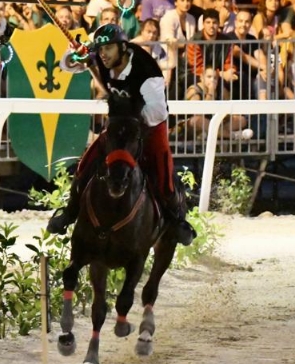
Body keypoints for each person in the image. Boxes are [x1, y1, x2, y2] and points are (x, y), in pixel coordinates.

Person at [46, 23, 196, 247]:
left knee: (163, 178)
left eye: (108, 49)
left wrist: (127, 108)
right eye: (100, 49)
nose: (103, 54)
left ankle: (177, 221)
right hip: (119, 125)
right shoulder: (102, 57)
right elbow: (66, 65)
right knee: (86, 163)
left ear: (123, 48)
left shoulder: (147, 73)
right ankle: (69, 213)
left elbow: (157, 113)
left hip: (150, 126)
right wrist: (76, 56)